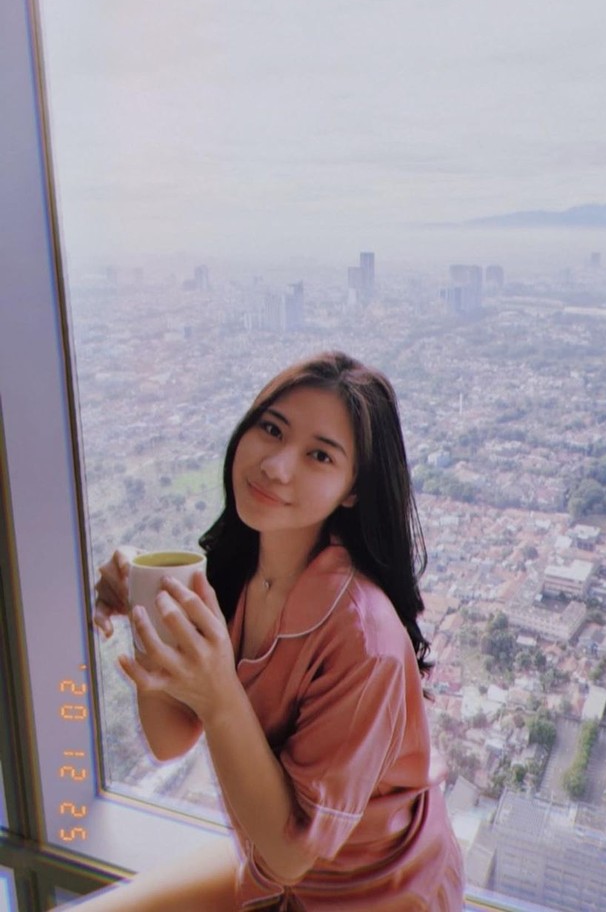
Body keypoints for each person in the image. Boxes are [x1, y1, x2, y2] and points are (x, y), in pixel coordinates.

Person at [80, 351, 465, 911]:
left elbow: (291, 852)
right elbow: (169, 739)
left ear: (353, 489)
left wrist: (218, 693)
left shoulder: (365, 640)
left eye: (319, 455)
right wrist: (146, 610)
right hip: (274, 870)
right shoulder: (233, 572)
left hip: (378, 893)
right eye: (271, 429)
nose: (277, 466)